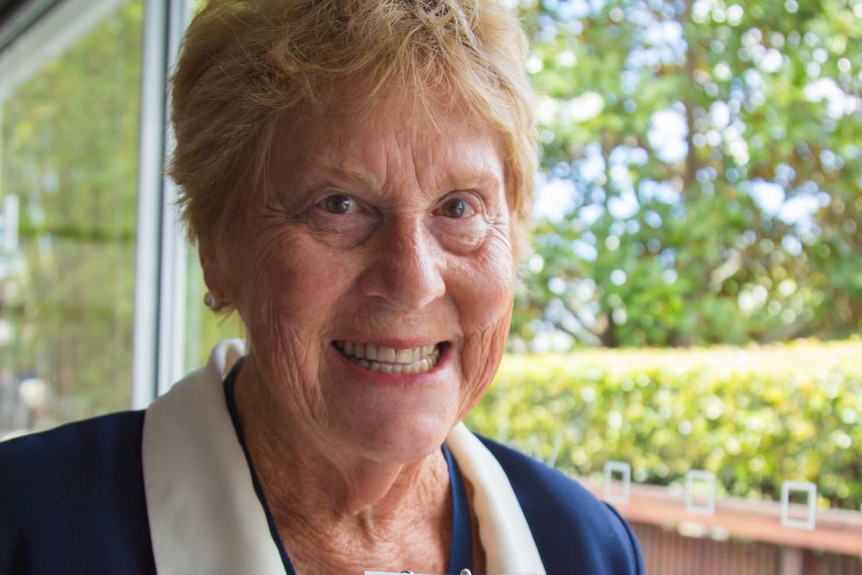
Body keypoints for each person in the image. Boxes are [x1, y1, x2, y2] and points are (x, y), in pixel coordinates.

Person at [0, 0, 644, 573]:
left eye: (458, 208)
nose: (413, 282)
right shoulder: (23, 525)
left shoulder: (587, 549)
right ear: (217, 248)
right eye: (338, 205)